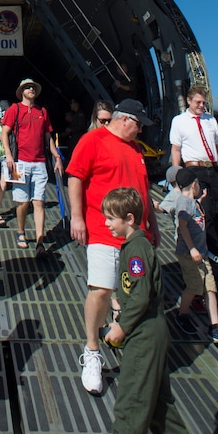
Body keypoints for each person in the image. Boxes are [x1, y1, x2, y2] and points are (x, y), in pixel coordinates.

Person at [66, 98, 160, 396]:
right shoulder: (93, 140)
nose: (141, 131)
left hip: (136, 237)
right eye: (139, 125)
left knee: (136, 294)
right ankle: (92, 350)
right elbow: (76, 177)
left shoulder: (136, 151)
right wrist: (77, 217)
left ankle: (124, 339)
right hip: (102, 228)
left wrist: (152, 226)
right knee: (102, 289)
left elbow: (144, 192)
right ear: (125, 120)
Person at [102, 188, 188, 434]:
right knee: (161, 409)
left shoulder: (137, 249)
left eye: (111, 218)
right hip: (151, 331)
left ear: (129, 219)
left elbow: (140, 296)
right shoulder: (135, 246)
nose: (106, 223)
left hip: (143, 335)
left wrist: (122, 326)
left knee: (131, 408)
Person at [169, 85, 218, 255]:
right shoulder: (179, 121)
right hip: (195, 170)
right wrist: (177, 176)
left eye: (204, 103)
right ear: (189, 101)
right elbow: (176, 150)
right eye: (198, 102)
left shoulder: (210, 120)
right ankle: (212, 255)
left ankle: (210, 242)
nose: (201, 106)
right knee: (204, 213)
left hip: (214, 168)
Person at [1, 78, 63, 259]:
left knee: (39, 202)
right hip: (19, 162)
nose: (31, 89)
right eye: (27, 87)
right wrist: (9, 156)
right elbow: (5, 132)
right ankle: (21, 231)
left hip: (39, 163)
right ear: (21, 92)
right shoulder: (15, 109)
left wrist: (57, 157)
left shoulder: (42, 111)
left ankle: (39, 240)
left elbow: (48, 136)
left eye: (33, 87)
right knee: (22, 203)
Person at [173, 168, 218, 344]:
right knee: (194, 287)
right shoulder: (184, 203)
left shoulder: (192, 202)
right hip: (189, 254)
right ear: (194, 184)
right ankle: (182, 314)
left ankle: (215, 326)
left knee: (210, 288)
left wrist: (200, 201)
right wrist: (192, 248)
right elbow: (183, 226)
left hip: (201, 254)